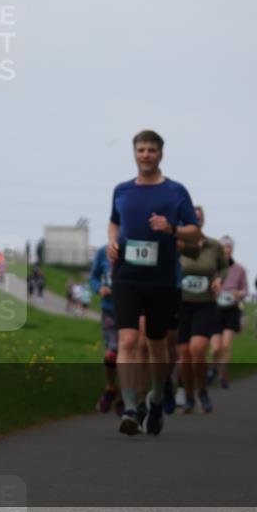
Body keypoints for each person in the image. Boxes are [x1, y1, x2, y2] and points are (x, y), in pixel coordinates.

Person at [107, 130, 199, 436]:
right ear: (134, 153)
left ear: (161, 154)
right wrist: (111, 243)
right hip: (126, 276)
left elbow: (194, 232)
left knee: (158, 346)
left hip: (162, 281)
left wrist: (170, 227)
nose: (146, 155)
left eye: (151, 150)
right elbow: (114, 221)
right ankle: (130, 406)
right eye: (141, 150)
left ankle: (157, 397)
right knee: (129, 341)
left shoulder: (176, 191)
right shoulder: (121, 190)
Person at [176, 207, 228, 414]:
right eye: (192, 219)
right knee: (184, 354)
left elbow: (223, 267)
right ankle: (188, 396)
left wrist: (218, 280)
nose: (196, 221)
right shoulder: (177, 244)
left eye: (199, 218)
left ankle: (203, 391)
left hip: (204, 304)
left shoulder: (214, 246)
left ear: (203, 221)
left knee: (197, 349)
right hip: (180, 305)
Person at [209, 235, 248, 390]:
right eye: (223, 248)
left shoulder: (239, 269)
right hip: (215, 309)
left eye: (229, 248)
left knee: (226, 345)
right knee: (216, 347)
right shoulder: (212, 267)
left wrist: (239, 294)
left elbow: (245, 289)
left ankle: (223, 376)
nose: (226, 251)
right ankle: (212, 368)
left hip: (232, 309)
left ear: (232, 250)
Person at [90, 245, 123, 415]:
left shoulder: (136, 249)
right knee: (111, 353)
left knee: (129, 352)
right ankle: (110, 388)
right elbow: (94, 277)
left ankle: (126, 396)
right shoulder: (103, 252)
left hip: (132, 309)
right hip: (109, 309)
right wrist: (99, 288)